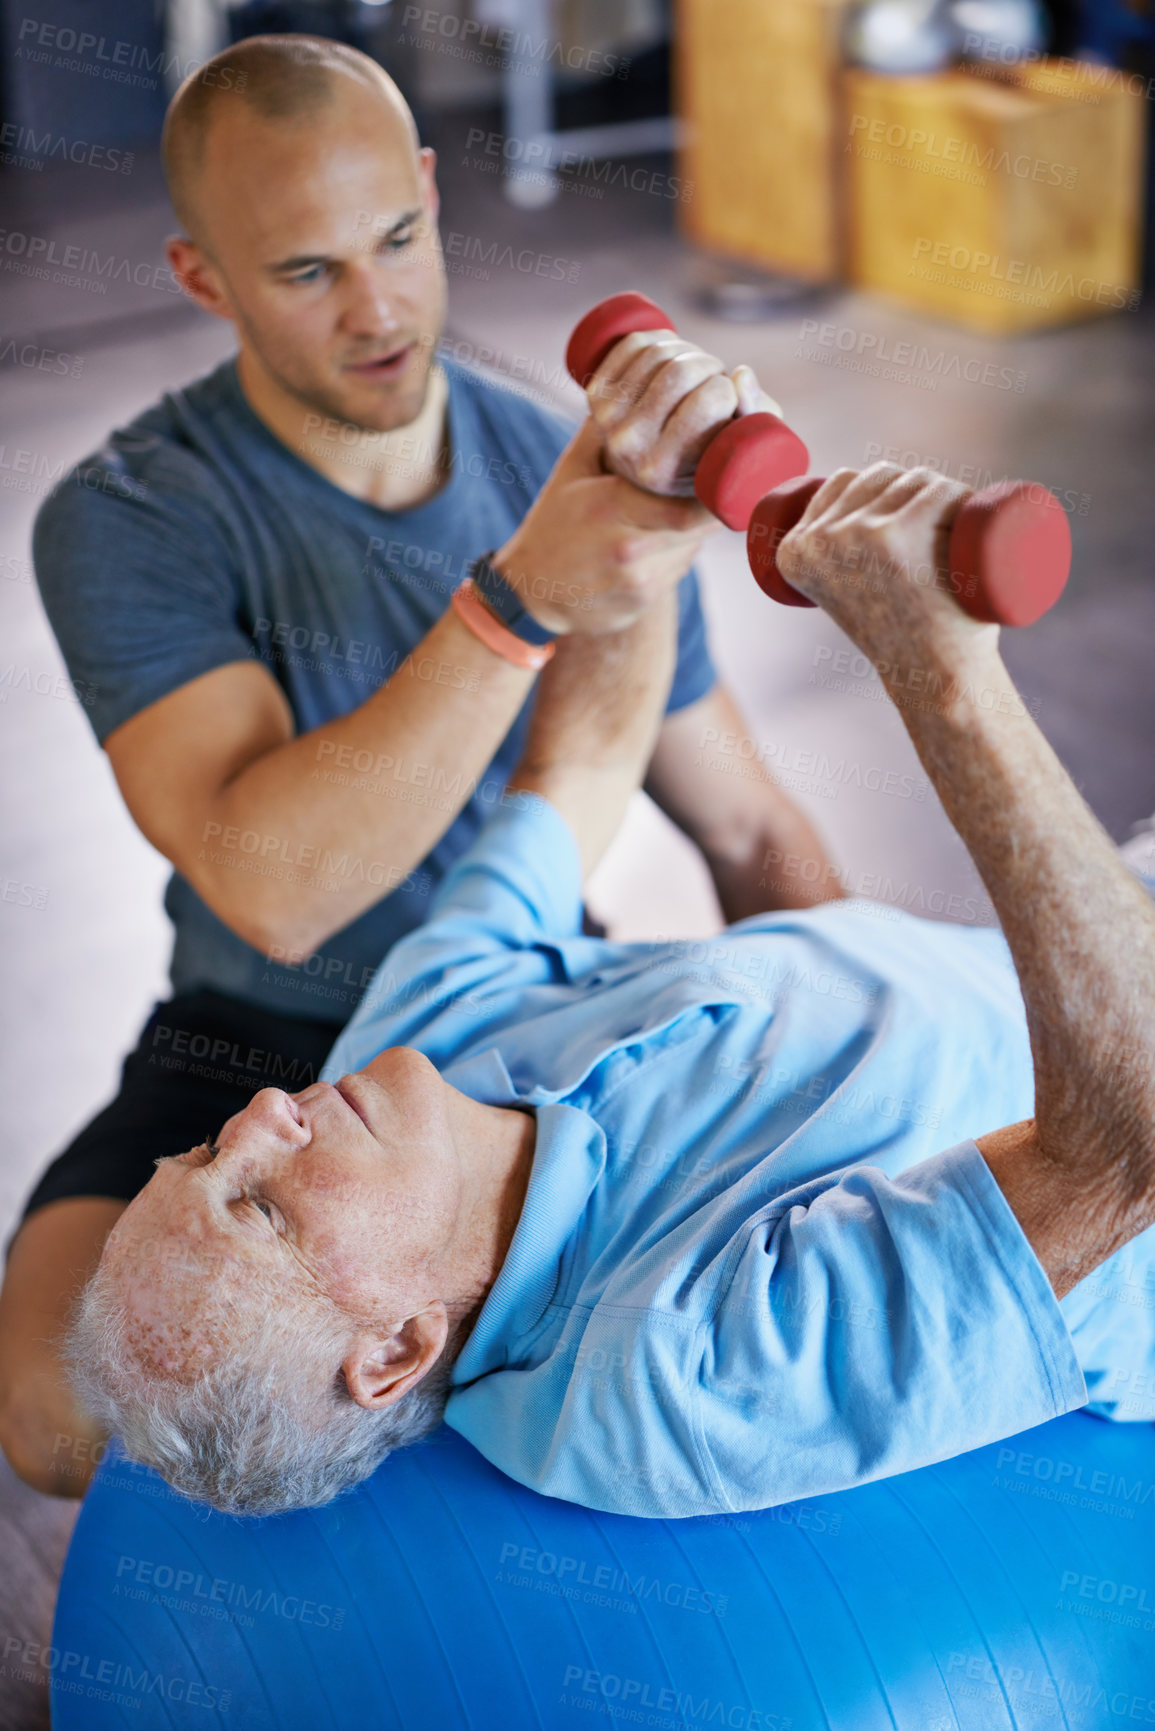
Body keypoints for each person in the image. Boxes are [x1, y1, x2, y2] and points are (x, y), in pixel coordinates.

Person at [0, 34, 837, 1496]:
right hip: (254, 1044)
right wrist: (514, 600)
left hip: (521, 1038)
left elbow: (746, 821)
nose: (379, 309)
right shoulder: (124, 514)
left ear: (433, 192)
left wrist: (871, 1032)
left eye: (397, 237)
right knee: (52, 1411)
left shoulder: (553, 463)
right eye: (307, 271)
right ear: (206, 279)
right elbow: (271, 888)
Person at [70, 462, 1155, 1519]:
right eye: (262, 1208)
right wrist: (940, 670)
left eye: (210, 1151)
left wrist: (646, 492)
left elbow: (582, 767)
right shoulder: (666, 1375)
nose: (265, 1113)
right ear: (397, 1347)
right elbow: (1124, 1147)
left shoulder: (412, 1044)